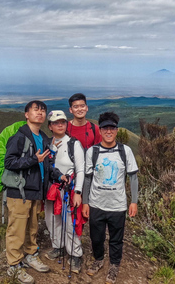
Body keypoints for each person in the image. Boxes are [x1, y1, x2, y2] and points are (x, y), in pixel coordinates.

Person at [4, 100, 65, 284]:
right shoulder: (19, 137)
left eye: (43, 110)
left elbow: (46, 165)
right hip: (19, 192)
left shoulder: (45, 138)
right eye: (35, 109)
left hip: (36, 191)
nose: (40, 112)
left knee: (32, 227)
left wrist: (59, 176)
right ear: (26, 114)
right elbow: (9, 162)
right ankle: (14, 266)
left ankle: (30, 255)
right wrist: (33, 159)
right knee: (16, 229)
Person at [82, 112, 138, 284]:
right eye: (105, 128)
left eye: (112, 128)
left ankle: (114, 265)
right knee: (96, 237)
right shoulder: (93, 151)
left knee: (116, 239)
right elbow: (87, 178)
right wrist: (85, 202)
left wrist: (134, 201)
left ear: (117, 130)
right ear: (100, 130)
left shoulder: (125, 151)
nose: (108, 131)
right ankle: (98, 259)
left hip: (117, 205)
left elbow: (133, 177)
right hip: (96, 203)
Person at [44, 110, 86, 273]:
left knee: (71, 222)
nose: (60, 125)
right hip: (51, 189)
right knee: (52, 220)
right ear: (50, 126)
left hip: (68, 189)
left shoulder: (73, 144)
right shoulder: (47, 144)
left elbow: (81, 169)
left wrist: (78, 191)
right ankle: (58, 246)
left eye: (62, 122)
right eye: (56, 122)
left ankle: (75, 254)